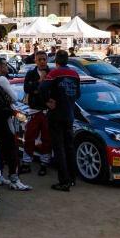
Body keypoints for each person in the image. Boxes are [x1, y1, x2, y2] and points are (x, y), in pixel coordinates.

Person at [0, 58, 30, 190]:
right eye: (5, 64)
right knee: (12, 149)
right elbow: (14, 98)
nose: (7, 67)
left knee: (0, 149)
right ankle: (14, 179)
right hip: (4, 119)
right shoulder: (2, 79)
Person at [43, 50, 81, 191]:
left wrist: (48, 101)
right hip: (69, 115)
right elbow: (78, 94)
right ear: (68, 60)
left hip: (56, 115)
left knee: (59, 148)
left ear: (56, 61)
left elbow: (42, 89)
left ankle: (64, 181)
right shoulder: (75, 74)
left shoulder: (54, 73)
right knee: (69, 147)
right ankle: (72, 178)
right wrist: (68, 101)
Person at [21, 50, 52, 176]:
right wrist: (39, 83)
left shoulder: (52, 73)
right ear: (35, 61)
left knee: (46, 138)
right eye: (40, 59)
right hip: (33, 110)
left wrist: (37, 90)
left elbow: (53, 91)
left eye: (44, 59)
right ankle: (26, 163)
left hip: (47, 112)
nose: (42, 62)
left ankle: (44, 163)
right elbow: (27, 89)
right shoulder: (30, 73)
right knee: (29, 137)